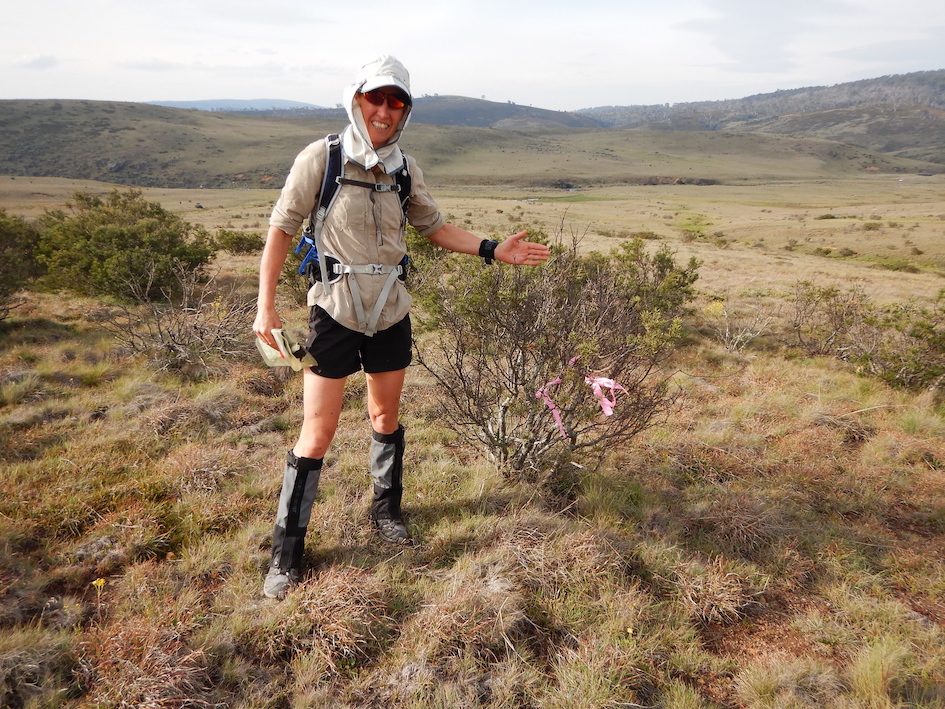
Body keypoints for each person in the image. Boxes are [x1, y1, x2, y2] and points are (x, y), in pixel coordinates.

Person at [253, 55, 550, 600]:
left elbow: (433, 226)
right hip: (334, 311)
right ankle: (286, 553)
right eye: (377, 99)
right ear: (357, 99)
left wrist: (491, 249)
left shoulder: (404, 168)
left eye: (397, 102)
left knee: (385, 414)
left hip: (391, 309)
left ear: (405, 110)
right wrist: (265, 306)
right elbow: (281, 228)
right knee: (317, 431)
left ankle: (386, 513)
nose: (385, 111)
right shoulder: (322, 158)